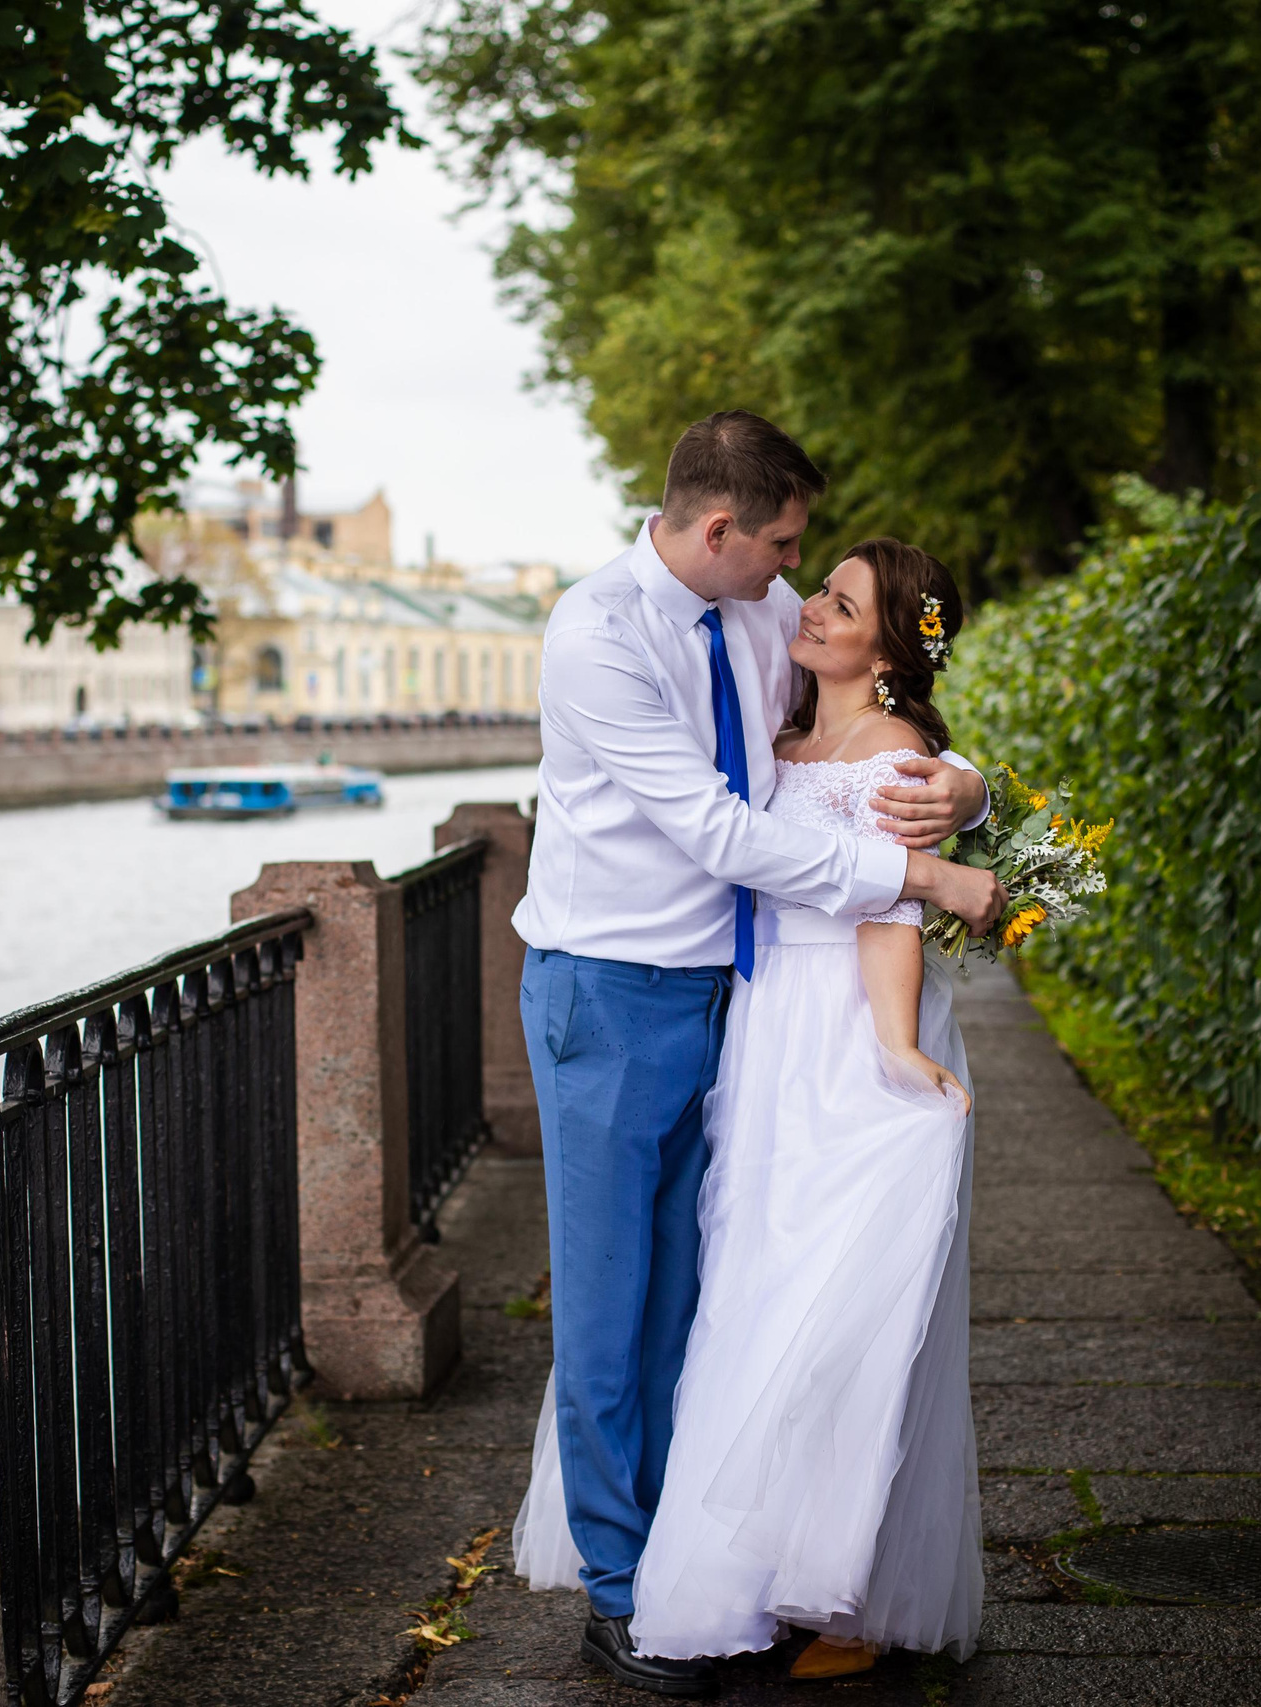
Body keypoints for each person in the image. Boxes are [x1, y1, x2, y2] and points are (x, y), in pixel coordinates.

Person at [509, 412, 1004, 1697]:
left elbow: (880, 715)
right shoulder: (596, 637)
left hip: (731, 1001)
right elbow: (721, 833)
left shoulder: (753, 603)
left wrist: (970, 789)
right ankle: (620, 1594)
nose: (798, 574)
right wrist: (921, 875)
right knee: (612, 1308)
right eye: (783, 545)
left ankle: (710, 1551)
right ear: (721, 530)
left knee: (696, 1296)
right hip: (608, 995)